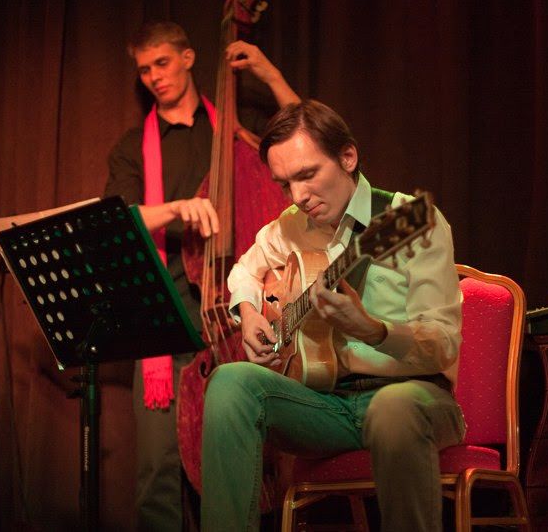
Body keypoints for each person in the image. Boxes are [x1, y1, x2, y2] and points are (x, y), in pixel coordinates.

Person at [200, 100, 466, 532]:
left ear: (347, 157)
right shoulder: (290, 226)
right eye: (285, 184)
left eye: (307, 175)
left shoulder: (410, 220)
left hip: (413, 395)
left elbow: (443, 345)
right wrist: (248, 312)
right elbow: (243, 272)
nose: (298, 197)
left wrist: (374, 331)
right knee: (231, 382)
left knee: (393, 409)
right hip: (328, 405)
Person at [103, 20, 299, 531]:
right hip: (168, 321)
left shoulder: (237, 125)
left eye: (162, 63)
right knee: (156, 472)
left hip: (243, 317)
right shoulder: (132, 146)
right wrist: (176, 208)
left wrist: (270, 75)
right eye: (144, 69)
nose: (154, 76)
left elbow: (308, 139)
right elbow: (120, 219)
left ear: (188, 58)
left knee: (255, 464)